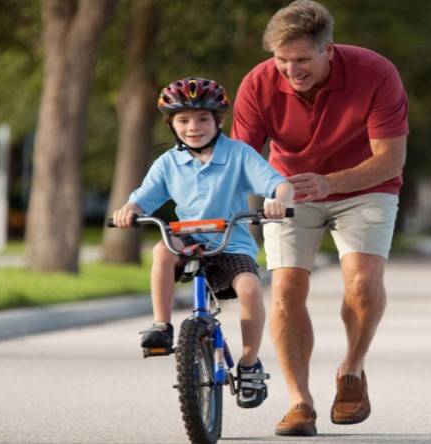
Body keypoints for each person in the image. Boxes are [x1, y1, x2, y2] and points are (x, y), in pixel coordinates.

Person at [230, 0, 409, 436]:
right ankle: (300, 401)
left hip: (366, 186)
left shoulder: (375, 73)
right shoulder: (258, 82)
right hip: (291, 188)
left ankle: (351, 370)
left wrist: (331, 182)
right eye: (282, 60)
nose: (291, 70)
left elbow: (391, 160)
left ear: (329, 50)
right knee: (288, 287)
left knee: (363, 281)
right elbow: (240, 158)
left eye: (302, 59)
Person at [112, 77, 295, 409]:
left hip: (230, 243)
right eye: (183, 120)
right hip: (190, 240)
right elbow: (142, 200)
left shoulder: (239, 154)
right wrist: (129, 210)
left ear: (219, 121)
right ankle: (162, 326)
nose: (193, 127)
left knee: (251, 289)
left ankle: (250, 364)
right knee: (161, 249)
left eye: (202, 119)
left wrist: (277, 201)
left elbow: (278, 185)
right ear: (172, 124)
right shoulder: (168, 163)